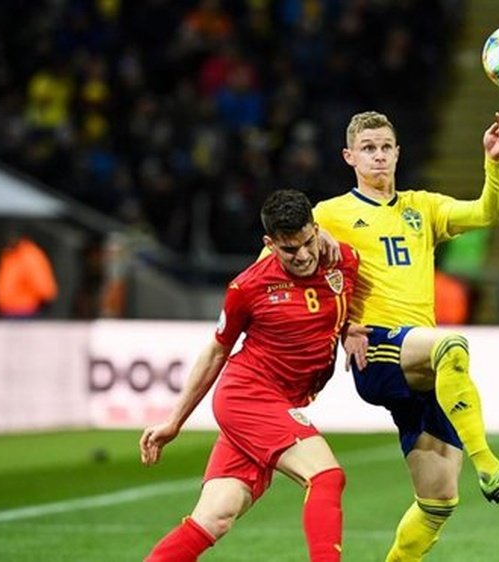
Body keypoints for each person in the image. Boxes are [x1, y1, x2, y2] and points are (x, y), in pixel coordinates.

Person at [313, 110, 499, 561]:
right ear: (349, 157)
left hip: (418, 364)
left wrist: (493, 162)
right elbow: (303, 270)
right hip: (379, 351)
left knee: (437, 503)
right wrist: (343, 326)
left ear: (398, 153)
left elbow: (489, 212)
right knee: (452, 346)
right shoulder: (330, 215)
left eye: (385, 147)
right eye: (368, 149)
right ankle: (492, 470)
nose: (378, 156)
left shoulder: (422, 207)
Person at [139, 189, 365, 562]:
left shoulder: (344, 261)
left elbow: (347, 307)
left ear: (316, 229)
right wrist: (174, 421)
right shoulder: (249, 287)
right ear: (269, 244)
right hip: (249, 395)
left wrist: (352, 327)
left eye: (308, 242)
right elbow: (215, 352)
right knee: (326, 476)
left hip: (279, 402)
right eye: (290, 249)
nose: (304, 255)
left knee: (214, 517)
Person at [0, 230, 58, 318]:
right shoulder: (9, 254)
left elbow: (44, 287)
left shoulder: (29, 255)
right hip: (7, 312)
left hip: (24, 313)